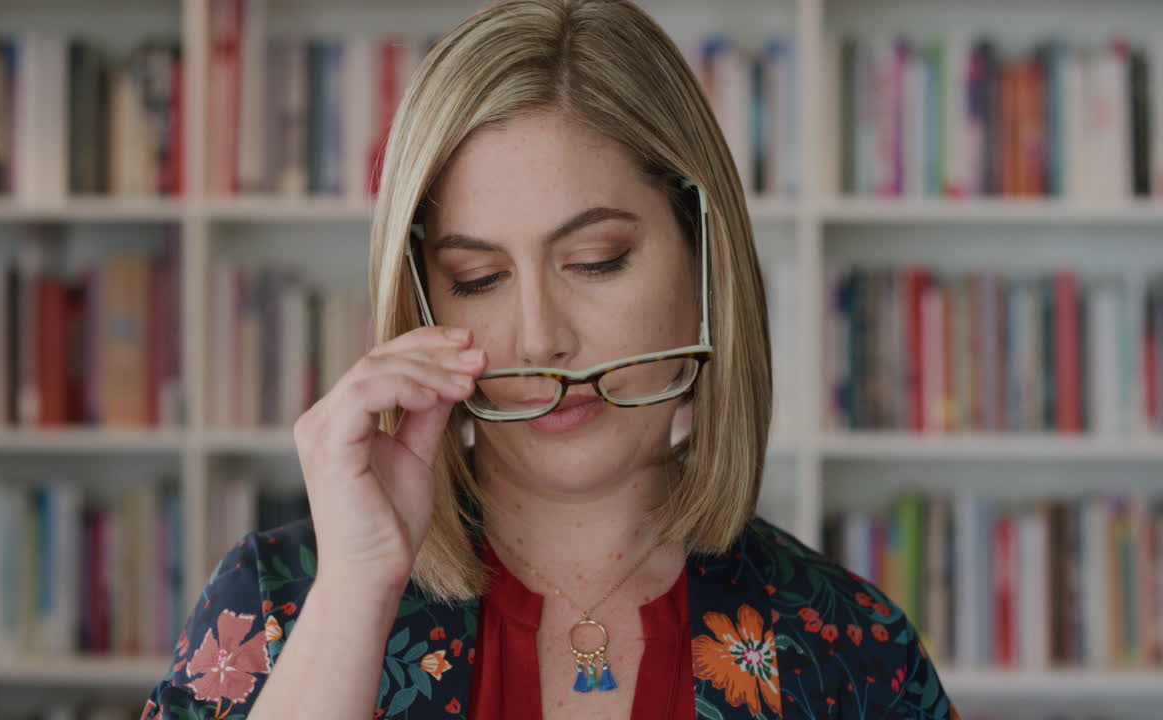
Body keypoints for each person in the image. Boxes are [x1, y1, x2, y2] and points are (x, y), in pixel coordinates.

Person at [141, 1, 959, 718]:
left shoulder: (852, 647)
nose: (540, 339)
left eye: (597, 260)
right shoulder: (275, 603)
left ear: (702, 260)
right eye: (478, 278)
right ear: (420, 302)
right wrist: (356, 592)